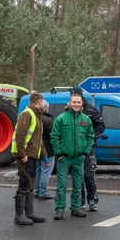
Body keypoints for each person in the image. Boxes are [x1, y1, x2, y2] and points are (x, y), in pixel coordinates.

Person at [50, 89, 94, 220]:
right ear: (70, 103)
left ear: (82, 103)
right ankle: (59, 209)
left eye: (78, 102)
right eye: (74, 102)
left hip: (78, 158)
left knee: (78, 184)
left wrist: (85, 152)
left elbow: (90, 136)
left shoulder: (86, 120)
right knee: (61, 185)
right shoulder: (61, 119)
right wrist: (59, 153)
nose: (76, 104)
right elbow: (54, 137)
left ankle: (76, 207)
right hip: (64, 158)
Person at [11, 91, 47, 225]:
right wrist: (22, 154)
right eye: (43, 101)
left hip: (32, 155)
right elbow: (20, 135)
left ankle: (29, 213)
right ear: (39, 102)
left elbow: (38, 139)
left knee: (30, 183)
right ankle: (19, 216)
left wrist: (44, 156)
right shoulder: (27, 114)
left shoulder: (37, 115)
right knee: (25, 182)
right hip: (25, 156)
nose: (43, 104)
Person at [76, 88, 105, 212]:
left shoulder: (91, 110)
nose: (75, 101)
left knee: (89, 176)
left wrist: (93, 137)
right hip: (75, 150)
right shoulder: (70, 111)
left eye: (77, 97)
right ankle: (80, 201)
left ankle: (92, 200)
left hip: (89, 149)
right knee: (78, 177)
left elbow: (101, 125)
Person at [33, 99, 55, 201]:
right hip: (47, 150)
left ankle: (36, 191)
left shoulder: (34, 118)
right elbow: (52, 137)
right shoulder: (48, 120)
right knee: (46, 171)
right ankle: (43, 192)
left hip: (36, 149)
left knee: (38, 171)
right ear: (45, 108)